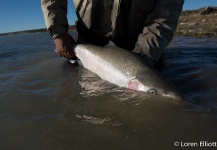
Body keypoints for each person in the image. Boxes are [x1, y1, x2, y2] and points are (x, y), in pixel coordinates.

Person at [41, 0, 184, 66]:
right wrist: (58, 32)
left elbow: (163, 19)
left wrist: (144, 58)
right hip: (88, 42)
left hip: (140, 45)